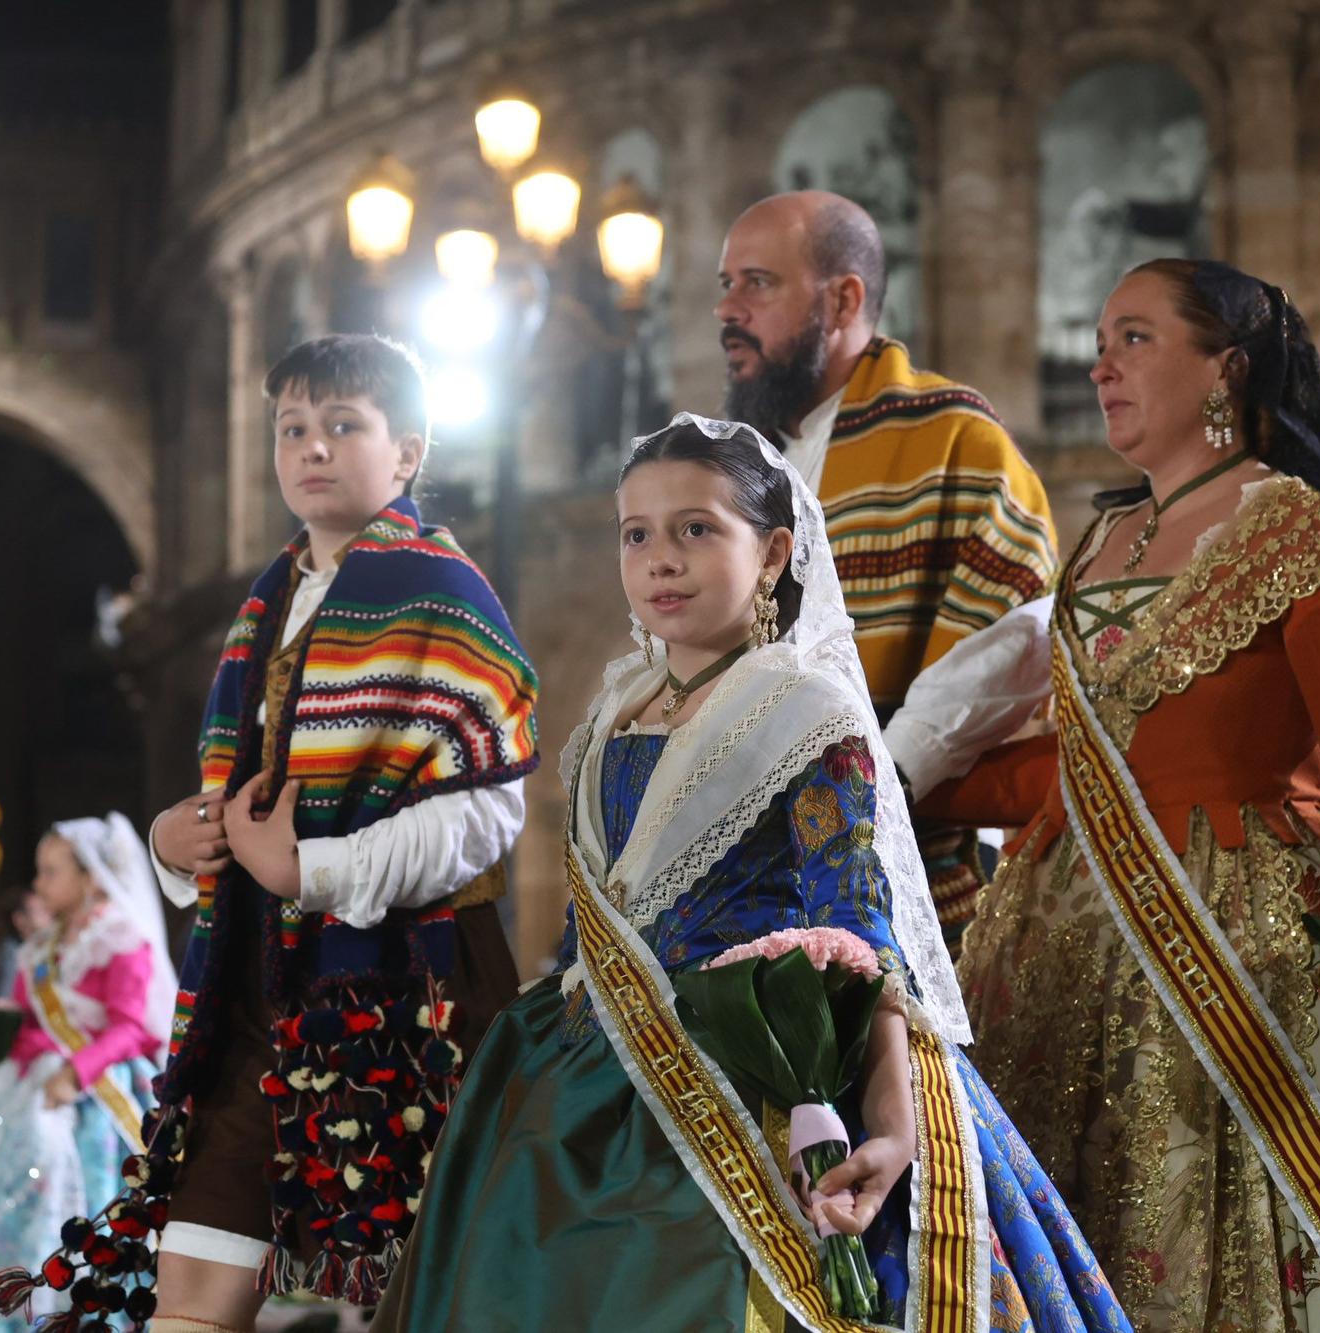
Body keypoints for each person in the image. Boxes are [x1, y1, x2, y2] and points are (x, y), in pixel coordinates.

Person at [372, 415, 1126, 1331]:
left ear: (772, 553)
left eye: (697, 528)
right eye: (637, 533)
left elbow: (857, 926)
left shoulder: (807, 713)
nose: (661, 558)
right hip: (572, 1078)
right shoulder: (614, 713)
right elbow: (593, 927)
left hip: (763, 1061)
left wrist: (894, 1117)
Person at [913, 259, 1320, 1330]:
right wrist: (908, 791)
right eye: (1099, 339)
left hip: (1250, 942)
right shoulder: (1101, 540)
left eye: (1135, 339)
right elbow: (1091, 763)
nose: (1098, 363)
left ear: (1225, 370)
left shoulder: (1290, 526)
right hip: (1061, 938)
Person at [8, 333, 541, 1331]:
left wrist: (316, 867)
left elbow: (487, 811)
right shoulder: (266, 601)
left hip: (406, 994)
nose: (313, 447)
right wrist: (177, 842)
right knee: (192, 1285)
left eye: (344, 425)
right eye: (292, 427)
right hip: (260, 985)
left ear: (407, 454)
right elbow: (244, 800)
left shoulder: (443, 591)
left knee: (387, 1292)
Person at [715, 190, 1057, 949]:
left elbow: (1021, 627)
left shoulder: (955, 437)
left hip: (908, 872)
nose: (727, 308)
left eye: (757, 282)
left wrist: (880, 781)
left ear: (843, 299)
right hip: (745, 879)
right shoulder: (731, 464)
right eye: (724, 283)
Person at [0, 814, 176, 1331]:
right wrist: (4, 1039)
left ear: (90, 876)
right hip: (28, 1092)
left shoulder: (122, 939)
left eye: (51, 872)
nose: (39, 884)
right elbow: (30, 1020)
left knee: (89, 1208)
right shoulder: (43, 947)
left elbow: (132, 1026)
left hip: (96, 1095)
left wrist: (74, 1071)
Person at [0, 888, 49, 1002]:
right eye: (39, 911)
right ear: (18, 919)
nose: (49, 916)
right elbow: (5, 1000)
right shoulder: (13, 952)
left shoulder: (42, 951)